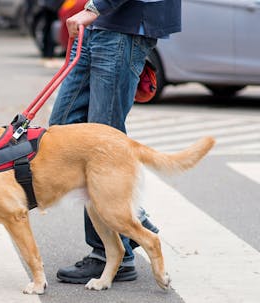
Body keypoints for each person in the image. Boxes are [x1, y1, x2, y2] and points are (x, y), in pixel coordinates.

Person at [47, 0, 181, 284]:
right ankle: (133, 219)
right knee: (61, 131)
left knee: (101, 145)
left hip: (123, 25)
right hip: (99, 24)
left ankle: (110, 256)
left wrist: (94, 8)